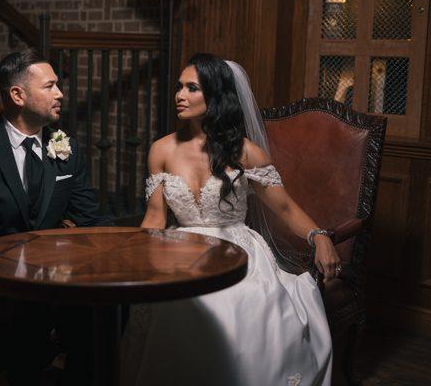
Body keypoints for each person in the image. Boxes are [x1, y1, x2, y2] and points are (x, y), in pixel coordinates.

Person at [120, 53, 337, 385]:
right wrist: (135, 262)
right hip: (178, 252)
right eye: (179, 86)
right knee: (171, 303)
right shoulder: (161, 149)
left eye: (192, 88)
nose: (179, 95)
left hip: (236, 250)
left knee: (237, 301)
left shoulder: (245, 152)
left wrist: (319, 236)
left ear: (216, 95)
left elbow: (285, 209)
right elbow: (154, 217)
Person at [0, 47, 112, 385]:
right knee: (34, 310)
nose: (60, 94)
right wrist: (14, 266)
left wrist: (123, 253)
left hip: (48, 278)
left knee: (105, 306)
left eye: (58, 85)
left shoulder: (66, 149)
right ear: (17, 94)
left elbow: (90, 218)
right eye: (49, 86)